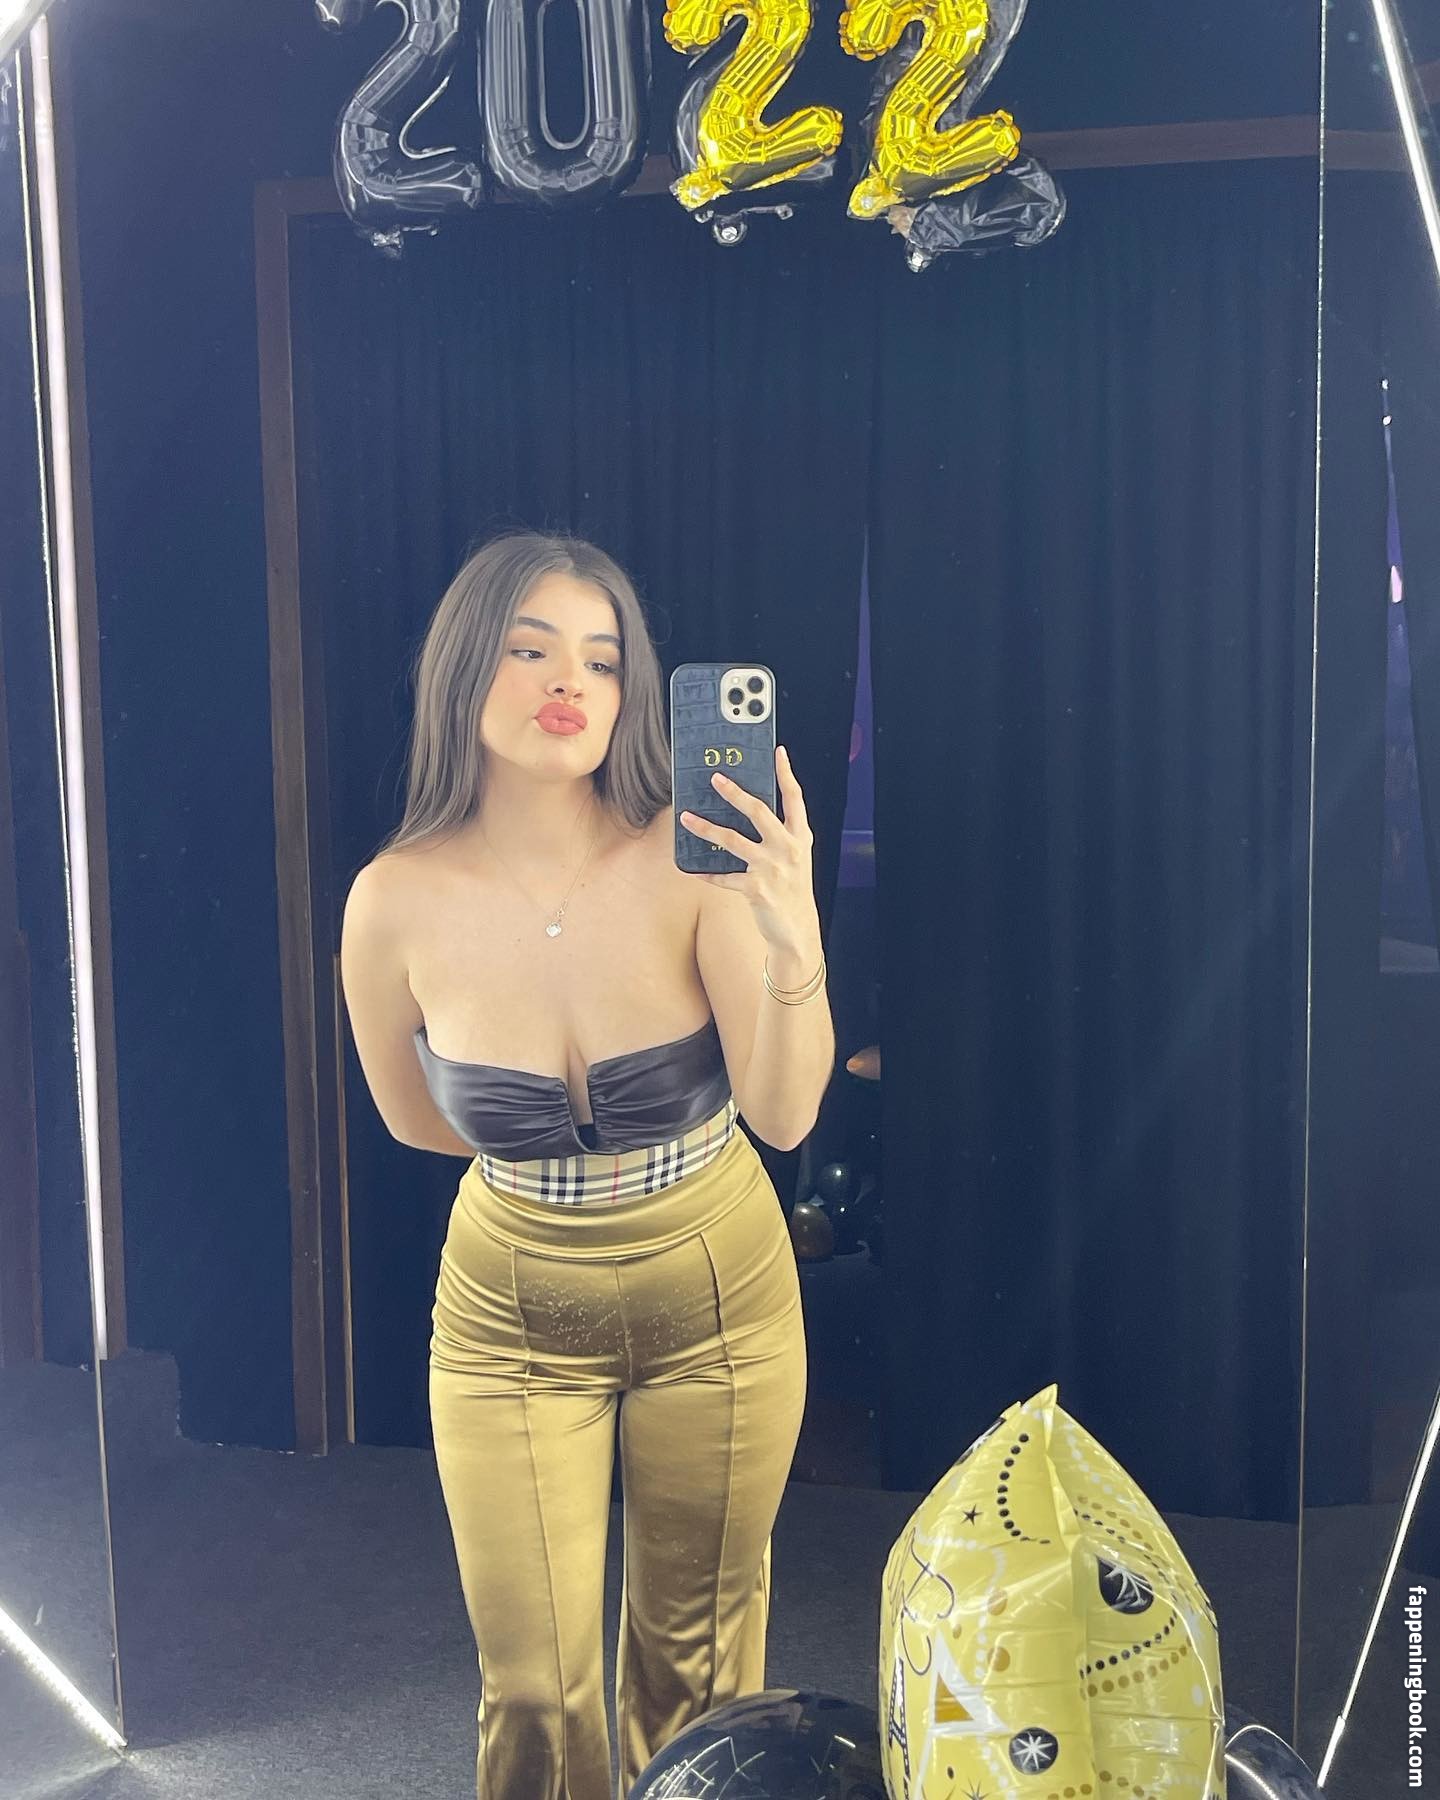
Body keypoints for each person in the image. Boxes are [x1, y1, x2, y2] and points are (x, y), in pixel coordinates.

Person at [338, 531, 835, 1800]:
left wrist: (795, 940)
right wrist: (552, 1175)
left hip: (719, 1294)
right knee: (533, 1693)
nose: (571, 680)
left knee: (697, 1673)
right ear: (464, 669)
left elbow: (784, 1116)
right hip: (509, 1312)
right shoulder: (390, 901)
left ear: (630, 696)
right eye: (531, 648)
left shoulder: (693, 859)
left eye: (604, 661)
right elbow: (413, 1121)